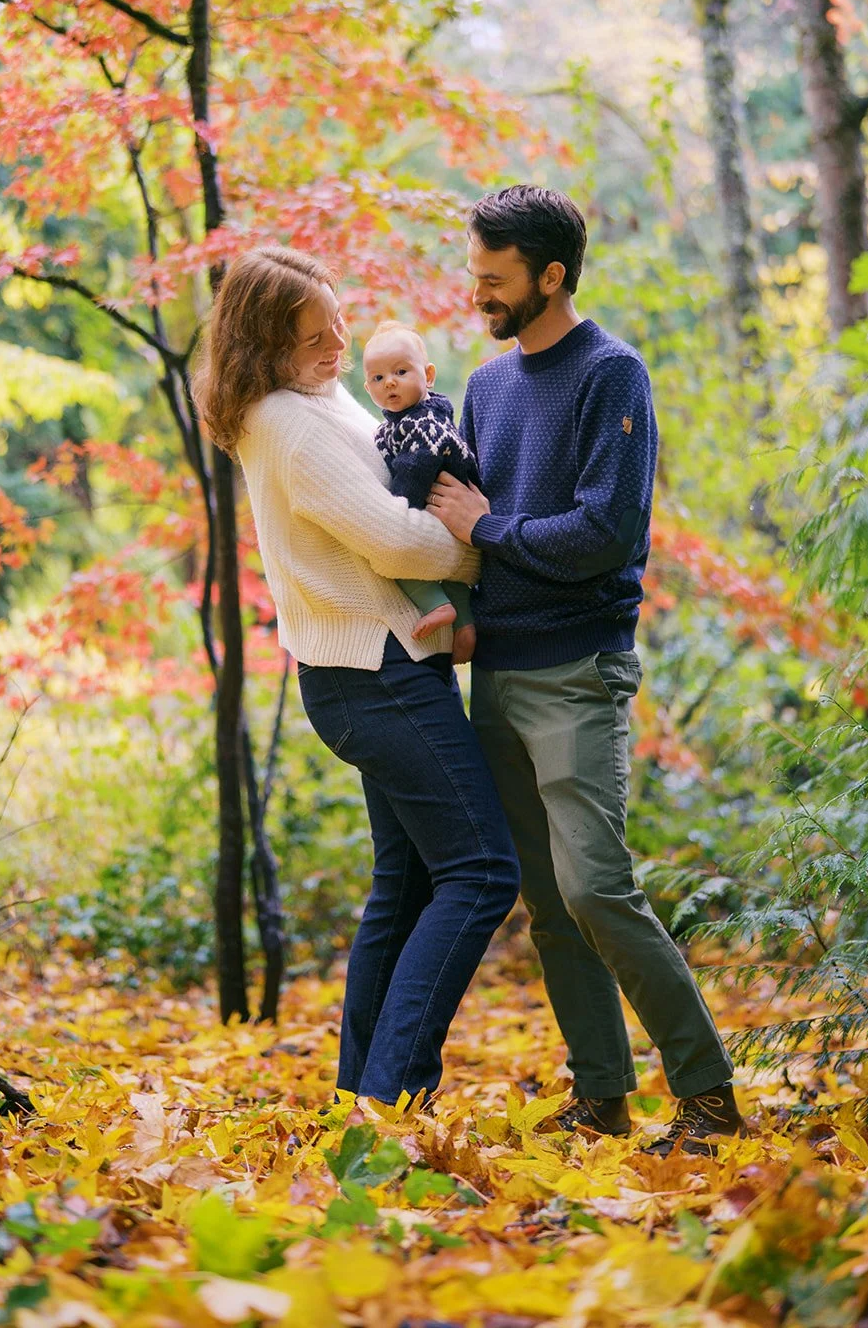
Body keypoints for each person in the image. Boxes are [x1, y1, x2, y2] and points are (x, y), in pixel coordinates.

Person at [427, 184, 745, 1156]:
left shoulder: (612, 373)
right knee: (550, 904)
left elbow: (603, 534)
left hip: (577, 669)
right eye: (474, 274)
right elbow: (463, 533)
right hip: (497, 671)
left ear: (550, 275)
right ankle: (601, 1095)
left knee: (597, 886)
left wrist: (489, 528)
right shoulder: (486, 386)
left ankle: (706, 1096)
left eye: (493, 277)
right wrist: (463, 613)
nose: (477, 292)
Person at [192, 244, 519, 1109]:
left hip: (376, 668)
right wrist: (490, 547)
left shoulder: (313, 398)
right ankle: (394, 1099)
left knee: (406, 888)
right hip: (373, 675)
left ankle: (361, 1104)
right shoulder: (287, 424)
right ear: (265, 345)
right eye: (313, 338)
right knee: (483, 870)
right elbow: (395, 540)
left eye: (337, 322)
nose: (338, 345)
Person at [362, 319, 480, 665]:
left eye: (401, 371)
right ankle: (464, 624)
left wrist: (398, 510)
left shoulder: (422, 423)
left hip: (442, 510)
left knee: (396, 558)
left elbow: (415, 470)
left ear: (428, 375)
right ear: (368, 388)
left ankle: (436, 604)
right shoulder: (405, 423)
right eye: (378, 378)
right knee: (455, 577)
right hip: (451, 520)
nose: (390, 382)